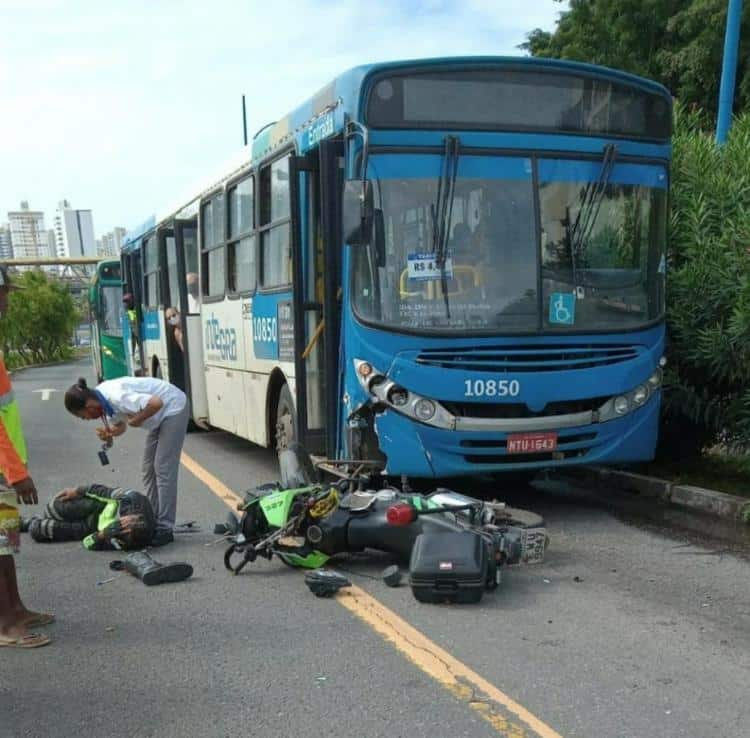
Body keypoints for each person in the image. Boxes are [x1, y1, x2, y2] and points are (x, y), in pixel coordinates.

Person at [63, 376, 189, 547]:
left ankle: (165, 527)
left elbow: (156, 402)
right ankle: (152, 518)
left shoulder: (116, 396)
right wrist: (110, 434)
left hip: (172, 408)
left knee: (163, 468)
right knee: (148, 469)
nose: (88, 419)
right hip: (158, 417)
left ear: (89, 406)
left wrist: (137, 420)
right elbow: (121, 426)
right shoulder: (102, 401)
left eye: (84, 416)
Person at [0, 266, 52, 649]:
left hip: (4, 467)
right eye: (4, 292)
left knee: (6, 541)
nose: (7, 300)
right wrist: (16, 471)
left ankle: (15, 609)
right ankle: (5, 625)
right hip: (3, 466)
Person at [26, 483, 155, 551]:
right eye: (124, 522)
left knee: (37, 530)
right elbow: (103, 490)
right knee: (53, 507)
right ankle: (31, 520)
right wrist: (77, 491)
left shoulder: (125, 541)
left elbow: (87, 543)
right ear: (133, 516)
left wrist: (102, 534)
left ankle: (29, 523)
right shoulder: (132, 499)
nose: (122, 524)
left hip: (89, 528)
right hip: (94, 507)